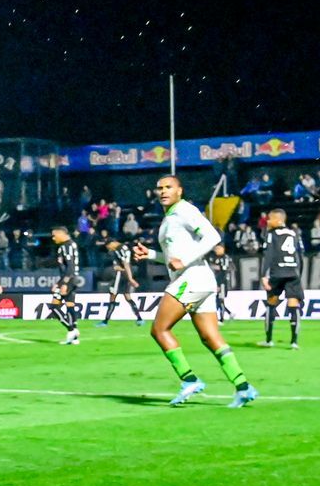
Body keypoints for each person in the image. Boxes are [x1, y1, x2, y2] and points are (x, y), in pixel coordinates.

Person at [134, 174, 257, 408]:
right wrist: (150, 255)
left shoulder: (184, 210)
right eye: (160, 188)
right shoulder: (170, 217)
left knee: (160, 330)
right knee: (210, 337)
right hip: (202, 280)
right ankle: (243, 387)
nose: (163, 191)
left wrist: (186, 260)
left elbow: (212, 237)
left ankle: (189, 379)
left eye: (169, 187)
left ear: (179, 191)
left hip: (190, 279)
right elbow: (174, 259)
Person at [256, 209, 305, 348]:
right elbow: (300, 256)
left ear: (279, 220)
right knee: (293, 305)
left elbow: (269, 255)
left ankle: (268, 340)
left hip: (277, 273)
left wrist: (263, 275)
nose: (267, 222)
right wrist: (299, 274)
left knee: (271, 303)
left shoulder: (271, 234)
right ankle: (294, 342)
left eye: (270, 219)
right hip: (293, 273)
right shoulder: (294, 234)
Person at [46, 225, 81, 346]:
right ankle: (75, 335)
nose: (53, 238)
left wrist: (64, 283)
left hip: (69, 280)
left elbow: (70, 267)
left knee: (54, 307)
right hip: (72, 279)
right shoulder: (71, 244)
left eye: (54, 235)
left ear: (61, 234)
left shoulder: (66, 247)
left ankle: (71, 330)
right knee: (70, 306)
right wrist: (59, 282)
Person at [100, 239, 145, 326]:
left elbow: (125, 264)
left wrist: (130, 278)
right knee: (127, 296)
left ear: (112, 243)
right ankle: (139, 319)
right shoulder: (124, 247)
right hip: (126, 274)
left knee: (113, 296)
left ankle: (105, 322)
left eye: (109, 247)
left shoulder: (119, 249)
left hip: (120, 275)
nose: (109, 249)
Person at [207, 241, 236, 322]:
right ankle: (229, 314)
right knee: (217, 300)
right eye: (216, 248)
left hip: (223, 282)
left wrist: (219, 284)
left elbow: (228, 269)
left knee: (220, 299)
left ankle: (221, 319)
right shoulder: (213, 257)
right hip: (215, 282)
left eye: (218, 248)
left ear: (223, 249)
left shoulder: (225, 258)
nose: (216, 250)